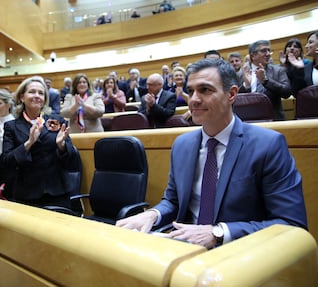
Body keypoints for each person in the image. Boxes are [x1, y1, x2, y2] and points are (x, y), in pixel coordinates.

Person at [116, 58, 307, 249]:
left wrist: (219, 232)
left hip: (241, 256)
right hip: (186, 251)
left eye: (205, 90)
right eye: (190, 91)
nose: (194, 99)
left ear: (231, 94)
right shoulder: (182, 145)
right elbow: (173, 201)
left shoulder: (268, 145)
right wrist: (153, 214)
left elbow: (291, 224)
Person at [2, 76, 76, 208]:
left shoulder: (58, 121)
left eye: (41, 93)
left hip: (58, 192)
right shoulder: (11, 126)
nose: (37, 96)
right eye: (32, 92)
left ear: (44, 100)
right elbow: (7, 163)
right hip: (26, 194)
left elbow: (73, 162)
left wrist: (62, 146)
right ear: (21, 97)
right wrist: (29, 143)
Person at [239, 40, 292, 120]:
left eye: (269, 50)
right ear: (253, 55)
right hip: (248, 120)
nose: (268, 54)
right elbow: (236, 98)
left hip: (273, 120)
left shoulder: (278, 71)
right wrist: (246, 86)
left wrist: (266, 81)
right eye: (263, 51)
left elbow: (287, 92)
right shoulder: (243, 73)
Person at [288, 30, 318, 96]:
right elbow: (297, 93)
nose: (306, 46)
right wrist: (299, 70)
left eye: (310, 42)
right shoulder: (307, 68)